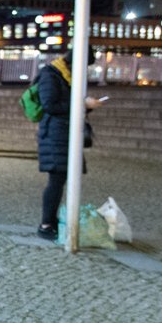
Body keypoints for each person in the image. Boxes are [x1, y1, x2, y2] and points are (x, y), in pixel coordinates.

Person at [36, 49, 102, 240]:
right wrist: (81, 103)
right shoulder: (51, 74)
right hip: (55, 134)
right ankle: (46, 224)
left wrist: (85, 106)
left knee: (61, 178)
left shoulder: (67, 76)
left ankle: (51, 221)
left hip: (65, 133)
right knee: (56, 179)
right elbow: (49, 104)